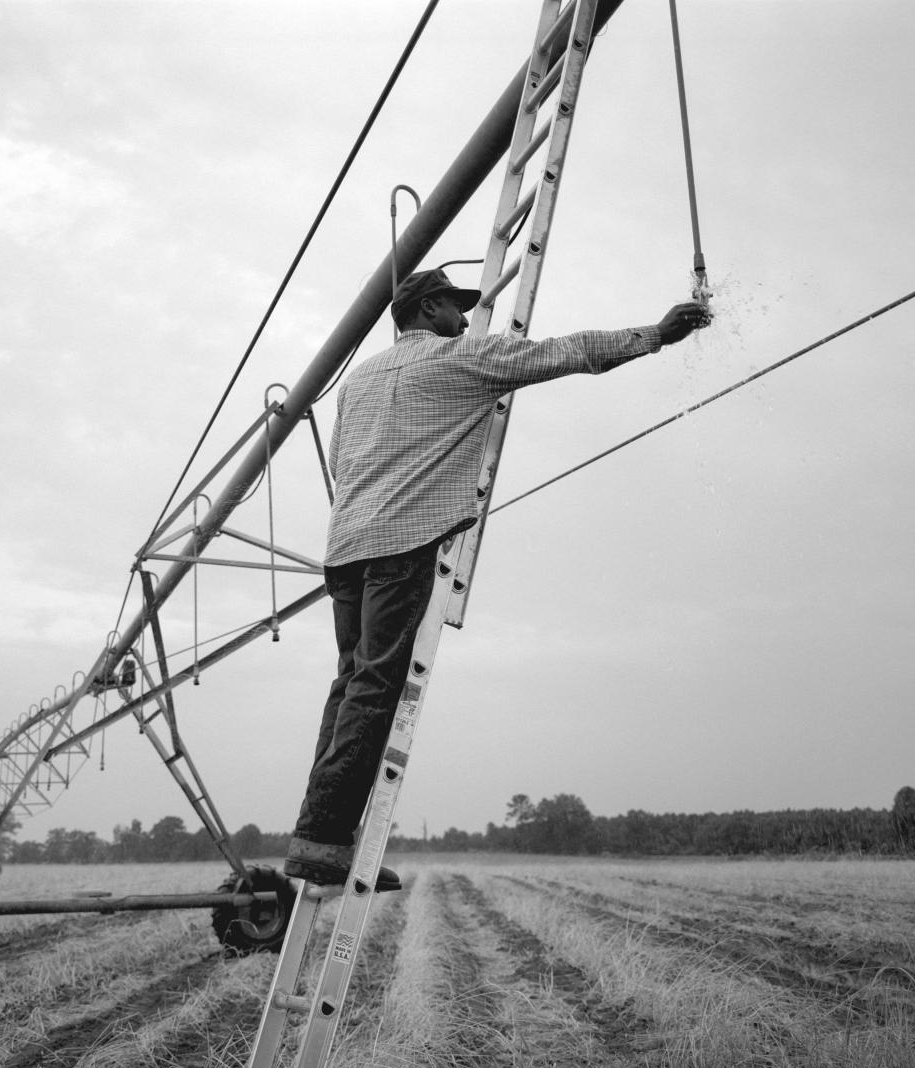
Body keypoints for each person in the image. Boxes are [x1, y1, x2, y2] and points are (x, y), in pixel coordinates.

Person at [283, 267, 711, 889]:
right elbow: (565, 354)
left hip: (346, 546)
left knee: (351, 682)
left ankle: (316, 836)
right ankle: (324, 839)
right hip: (401, 543)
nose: (465, 318)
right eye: (456, 308)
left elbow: (339, 460)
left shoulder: (358, 381)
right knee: (377, 684)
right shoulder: (460, 360)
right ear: (428, 310)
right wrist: (656, 335)